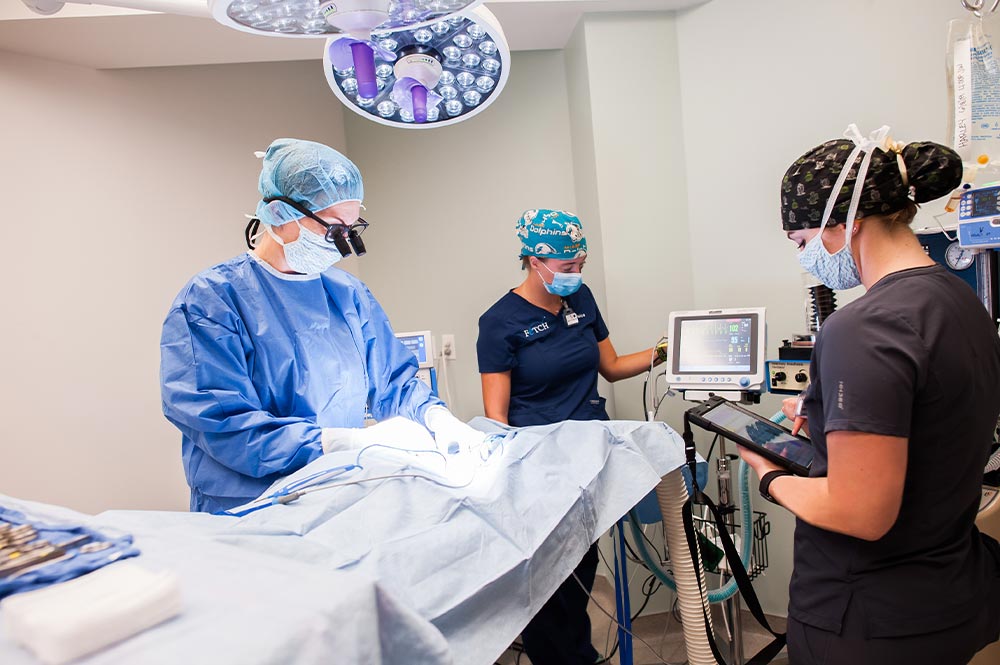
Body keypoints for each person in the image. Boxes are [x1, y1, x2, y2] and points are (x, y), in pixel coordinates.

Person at [738, 124, 1000, 664]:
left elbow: (861, 513)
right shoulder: (960, 301)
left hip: (869, 619)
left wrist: (769, 476)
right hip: (950, 595)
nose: (807, 258)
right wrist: (829, 410)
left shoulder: (863, 327)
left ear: (845, 223)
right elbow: (929, 420)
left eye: (804, 242)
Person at [160, 138, 485, 513]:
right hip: (250, 510)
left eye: (351, 228)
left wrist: (436, 419)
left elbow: (393, 383)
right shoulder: (211, 301)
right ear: (280, 215)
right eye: (333, 230)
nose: (344, 244)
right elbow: (220, 422)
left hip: (337, 492)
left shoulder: (347, 295)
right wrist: (337, 443)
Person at [476, 209, 664, 665]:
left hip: (591, 459)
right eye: (566, 267)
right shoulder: (500, 323)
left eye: (581, 264)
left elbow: (613, 368)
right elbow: (496, 419)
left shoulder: (582, 301)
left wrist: (668, 350)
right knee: (551, 589)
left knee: (582, 571)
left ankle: (577, 655)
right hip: (541, 471)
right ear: (533, 261)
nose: (575, 274)